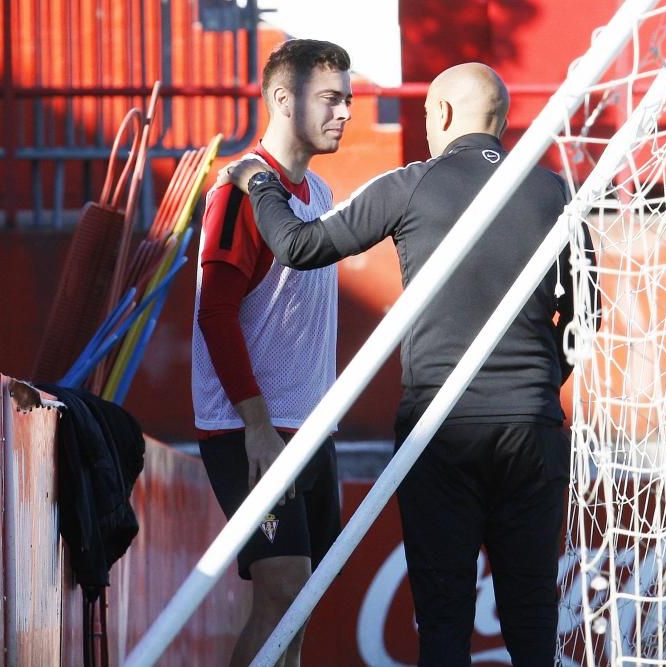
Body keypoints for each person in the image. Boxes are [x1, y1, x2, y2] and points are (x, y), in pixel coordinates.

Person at [223, 62, 599, 666]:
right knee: (533, 620)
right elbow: (589, 313)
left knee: (444, 620)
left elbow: (300, 246)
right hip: (531, 431)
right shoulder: (552, 191)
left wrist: (258, 184)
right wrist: (540, 381)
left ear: (445, 114)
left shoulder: (413, 184)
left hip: (439, 432)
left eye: (427, 114)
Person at [190, 39, 352, 667]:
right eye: (331, 99)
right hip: (251, 429)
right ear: (284, 100)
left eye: (348, 100)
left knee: (301, 598)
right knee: (281, 588)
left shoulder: (321, 192)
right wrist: (255, 423)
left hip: (311, 426)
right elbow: (214, 312)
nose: (344, 114)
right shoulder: (237, 194)